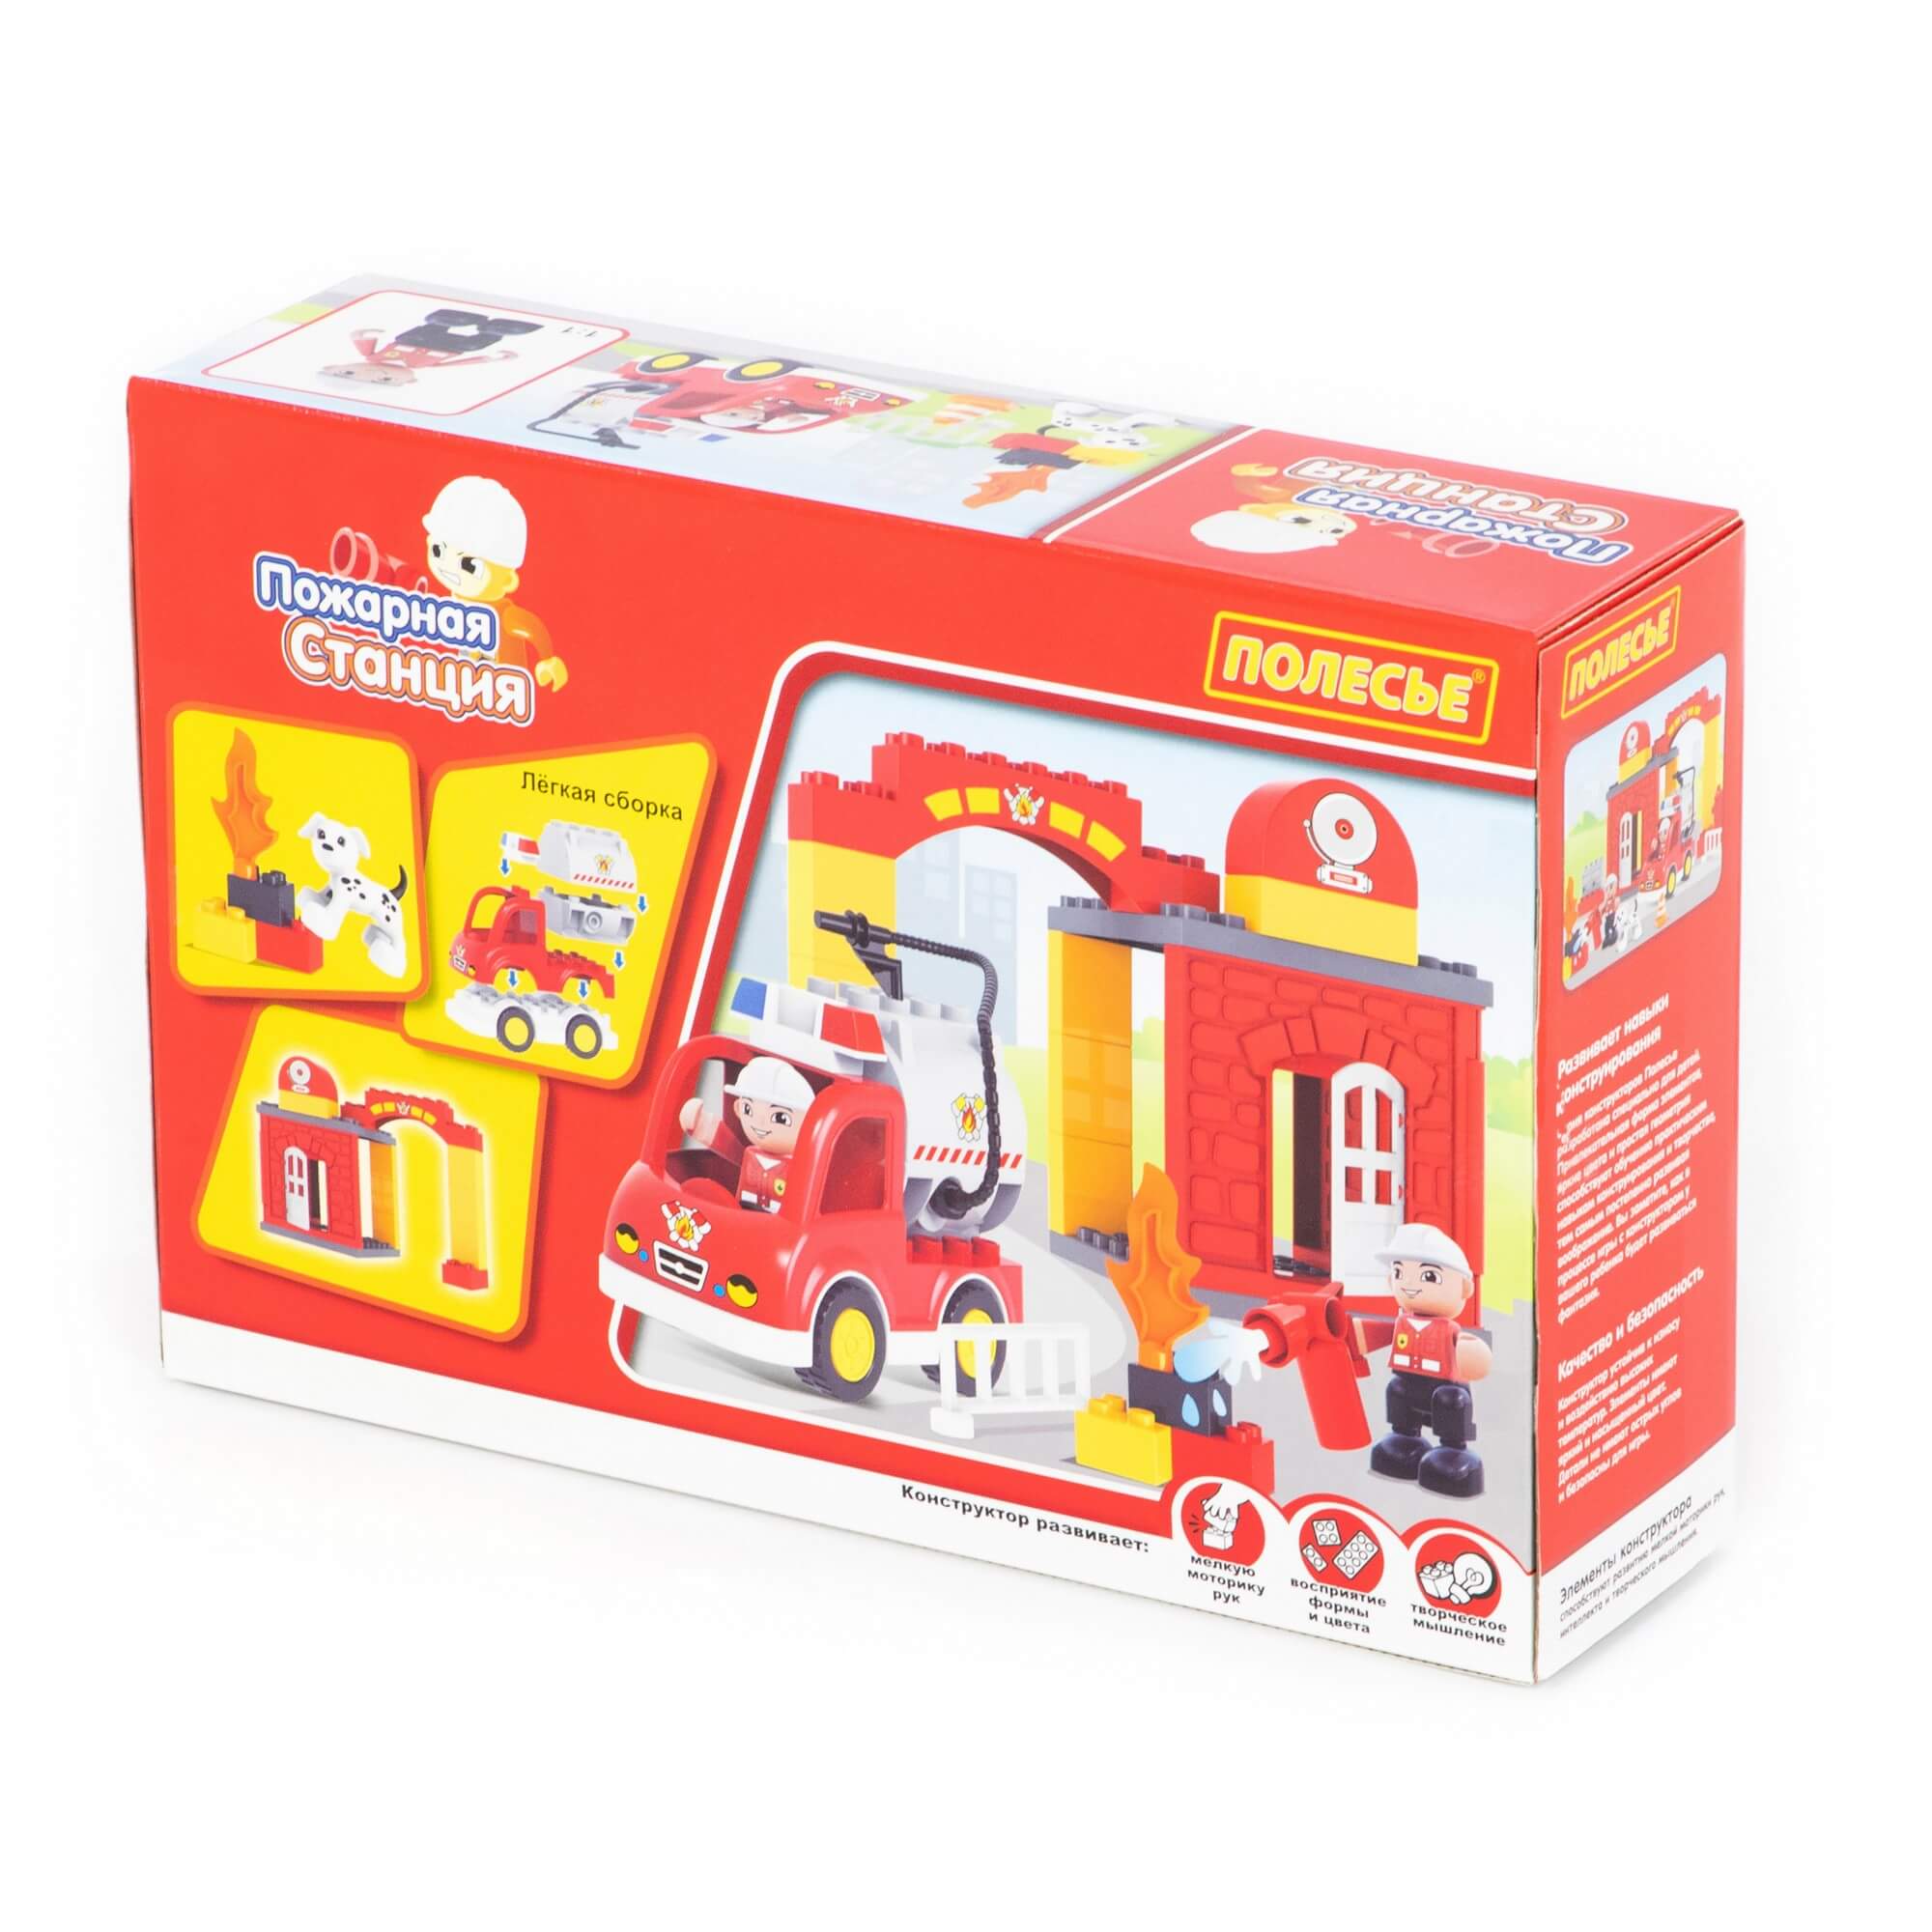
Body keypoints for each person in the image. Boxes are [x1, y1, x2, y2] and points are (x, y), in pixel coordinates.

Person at [1353, 1223, 1492, 1498]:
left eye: (1429, 1276)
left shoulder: (1450, 1330)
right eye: (1399, 1273)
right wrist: (1356, 1337)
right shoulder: (1403, 1322)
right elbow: (1379, 1334)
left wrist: (1473, 1354)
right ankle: (1405, 1436)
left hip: (1445, 1386)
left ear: (1464, 1288)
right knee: (1397, 1390)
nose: (1410, 1286)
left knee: (1451, 1401)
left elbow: (1475, 1357)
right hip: (1409, 1382)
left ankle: (1453, 1449)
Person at [678, 1056, 816, 1213]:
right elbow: (731, 1149)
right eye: (748, 1109)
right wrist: (702, 1126)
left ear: (808, 1121)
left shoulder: (799, 1164)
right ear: (738, 1108)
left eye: (780, 1117)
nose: (760, 1123)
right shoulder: (750, 1154)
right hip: (743, 1215)